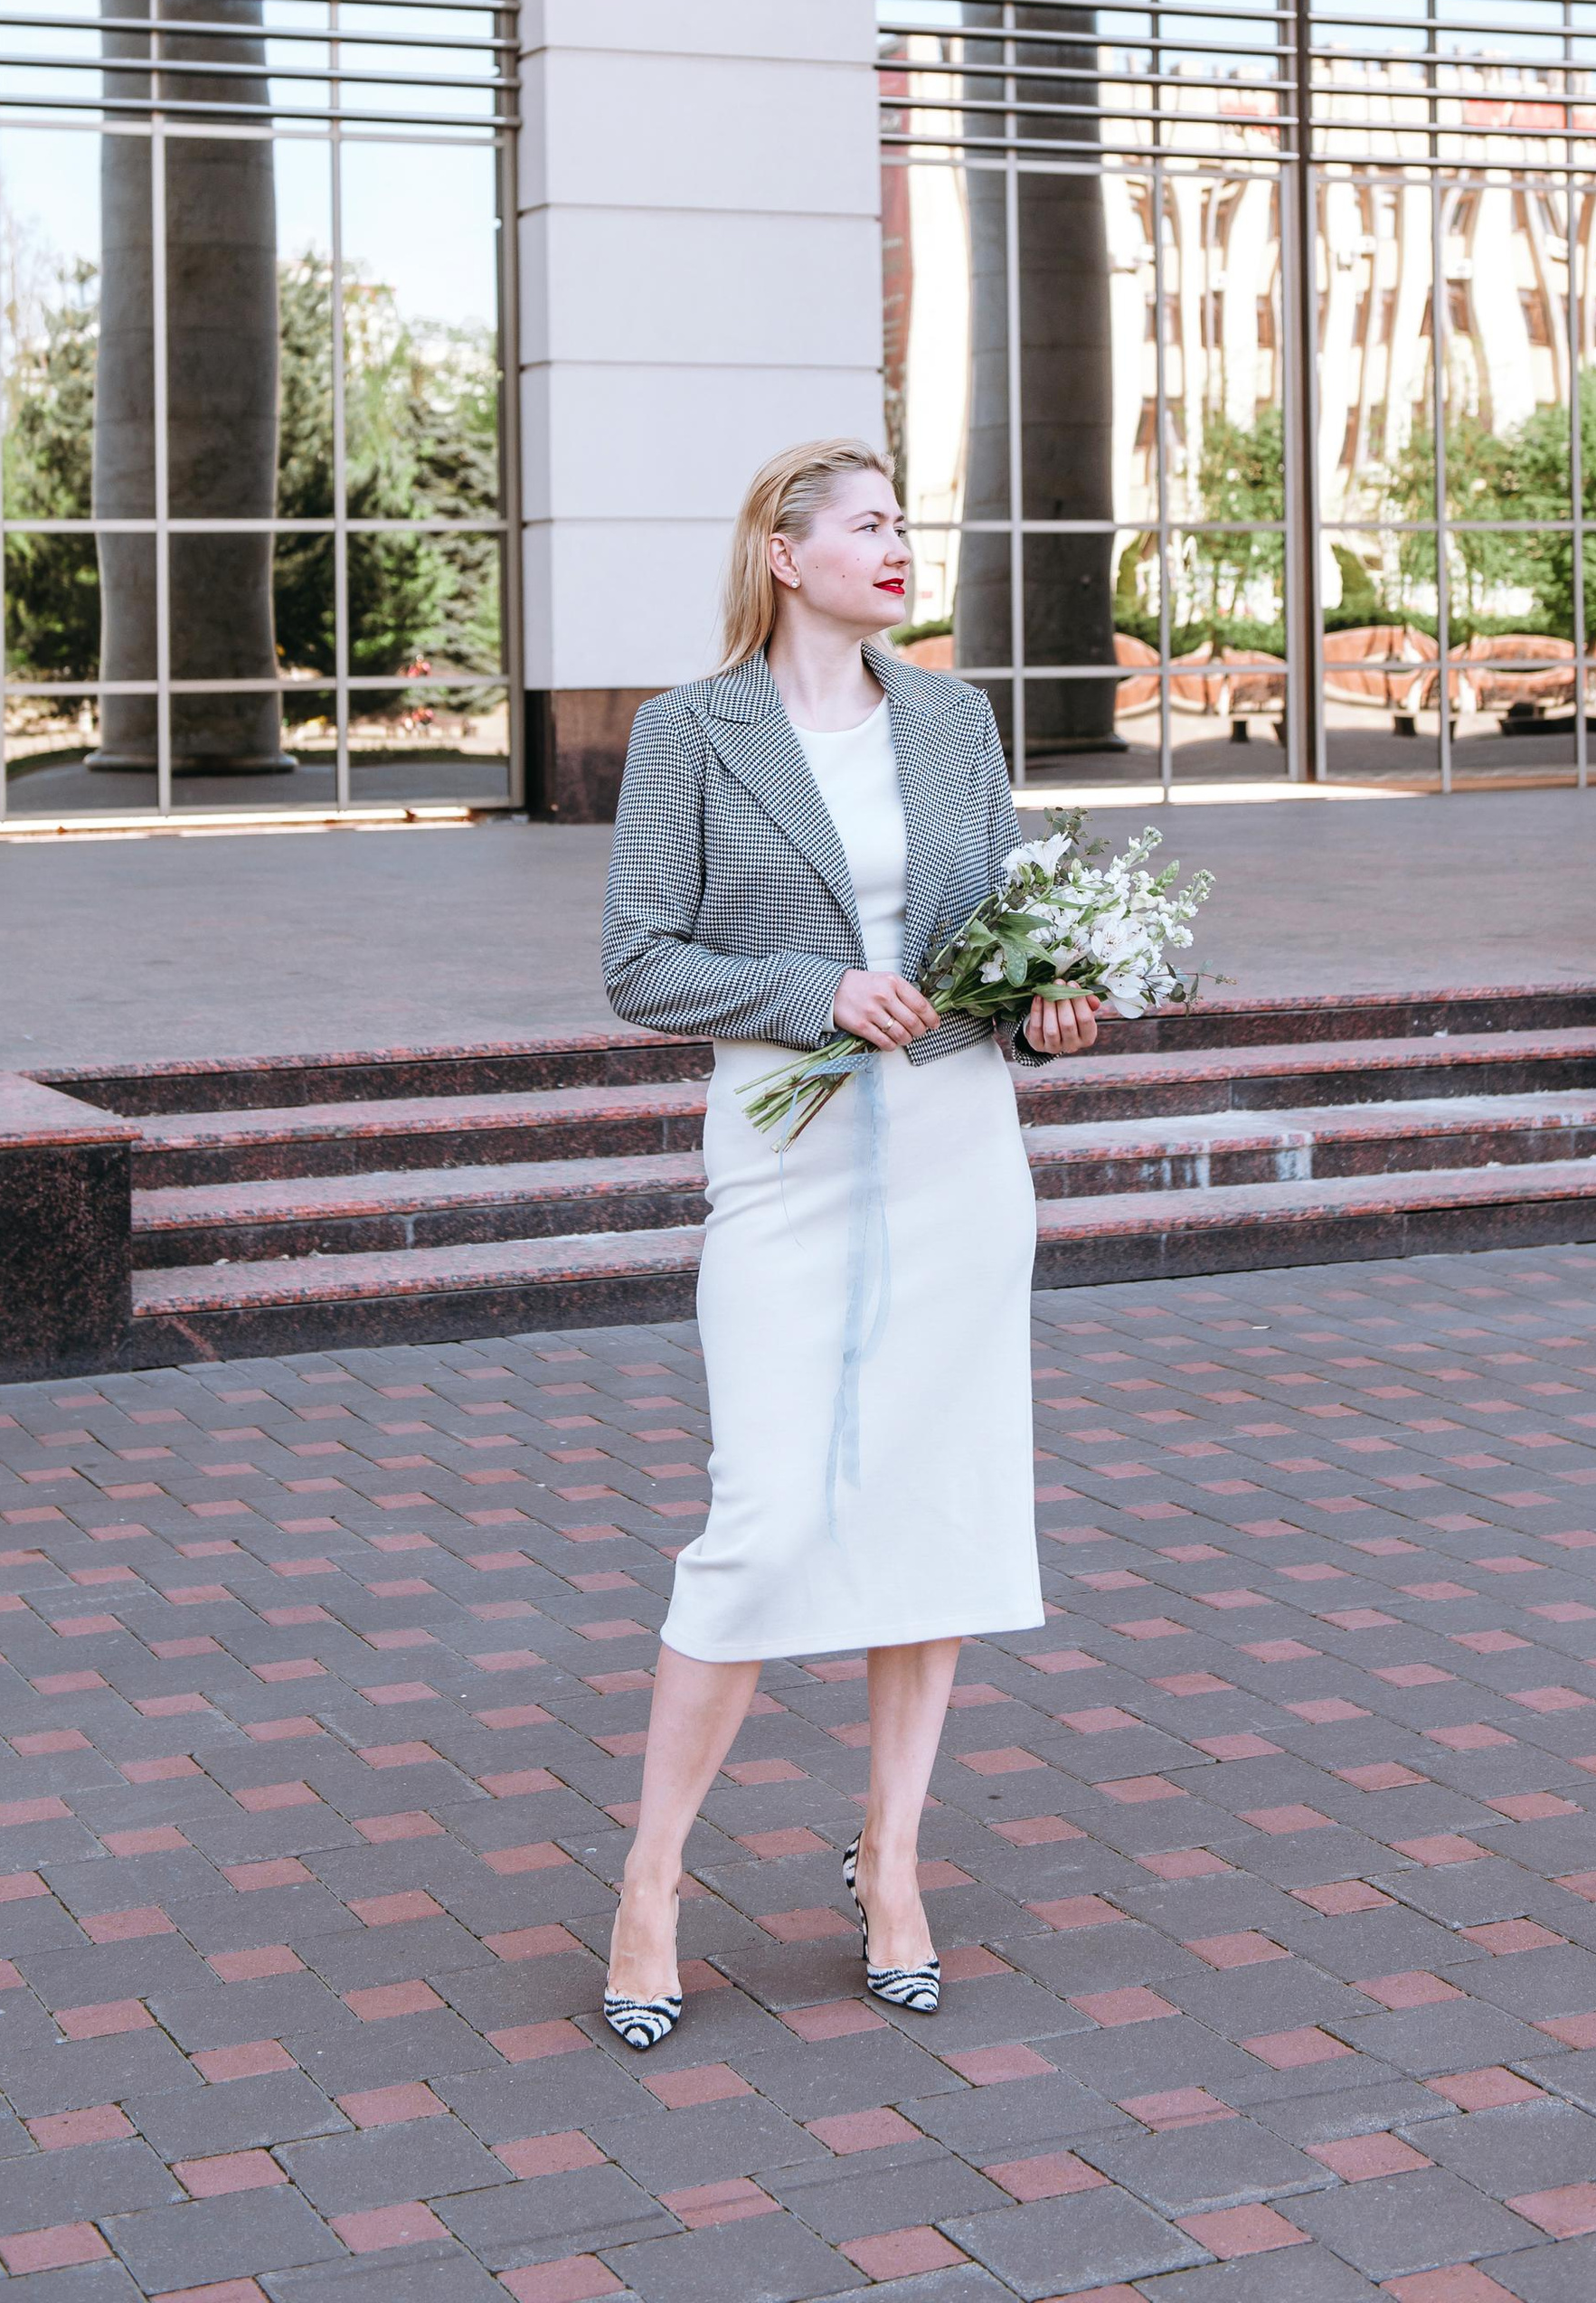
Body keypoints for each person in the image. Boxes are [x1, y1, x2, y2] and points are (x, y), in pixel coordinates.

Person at [596, 436, 1100, 2045]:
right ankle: (653, 1882)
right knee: (761, 1518)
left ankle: (892, 1862)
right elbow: (639, 961)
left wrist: (1050, 1005)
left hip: (958, 1153)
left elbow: (1000, 939)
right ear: (783, 552)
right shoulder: (688, 733)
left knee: (937, 1507)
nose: (898, 547)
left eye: (904, 525)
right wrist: (811, 989)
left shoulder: (955, 721)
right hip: (783, 1151)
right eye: (869, 525)